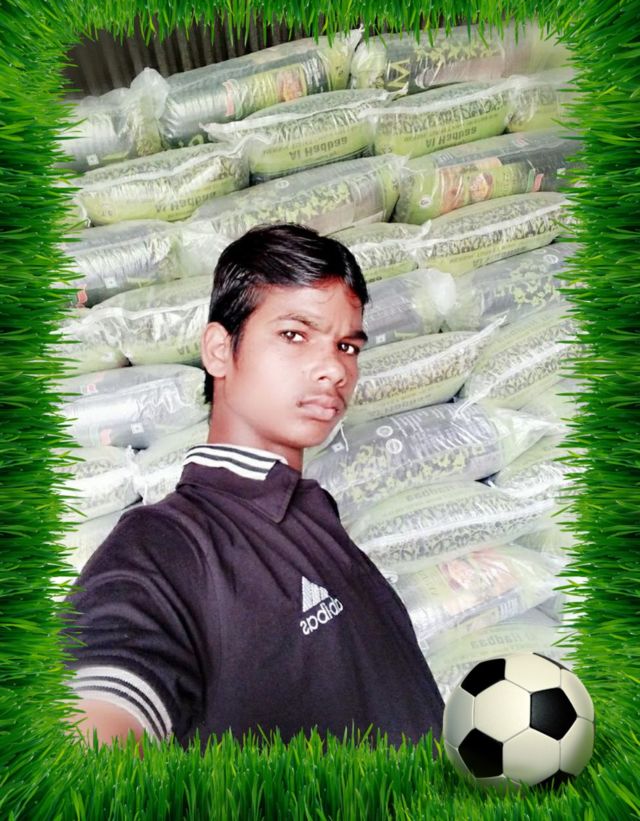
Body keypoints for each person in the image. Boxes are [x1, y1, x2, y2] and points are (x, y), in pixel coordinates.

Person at [60, 223, 445, 754]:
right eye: (294, 335)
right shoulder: (165, 543)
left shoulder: (312, 510)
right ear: (219, 350)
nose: (334, 368)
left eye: (346, 346)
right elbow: (97, 712)